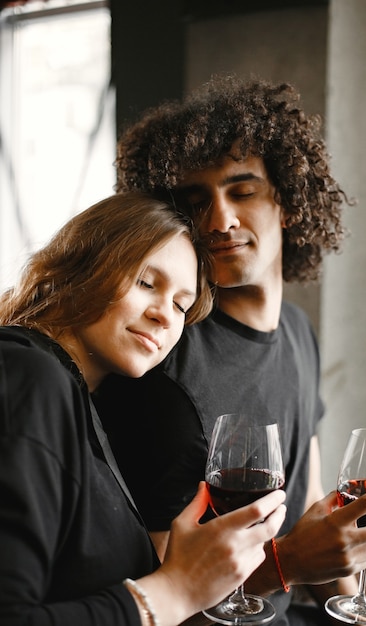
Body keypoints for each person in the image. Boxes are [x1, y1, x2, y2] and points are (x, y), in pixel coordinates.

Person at [95, 75, 366, 626]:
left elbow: (310, 494)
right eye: (197, 202)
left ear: (288, 204)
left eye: (242, 192)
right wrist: (287, 566)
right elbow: (162, 597)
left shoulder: (296, 331)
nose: (221, 221)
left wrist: (353, 598)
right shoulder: (166, 367)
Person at [0, 191, 288, 626]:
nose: (165, 317)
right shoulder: (28, 375)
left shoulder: (81, 402)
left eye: (181, 305)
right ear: (81, 267)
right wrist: (174, 590)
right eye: (146, 283)